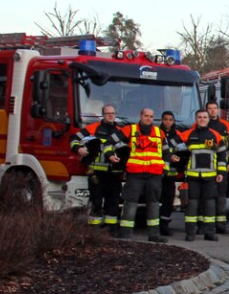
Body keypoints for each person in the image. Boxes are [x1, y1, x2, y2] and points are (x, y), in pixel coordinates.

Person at [117, 108, 175, 242]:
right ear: (141, 116)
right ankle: (125, 233)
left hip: (154, 174)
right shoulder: (130, 130)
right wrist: (114, 156)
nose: (149, 118)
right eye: (146, 116)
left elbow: (166, 154)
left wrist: (165, 170)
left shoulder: (159, 132)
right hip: (135, 173)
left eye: (151, 116)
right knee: (130, 202)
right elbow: (112, 142)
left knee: (153, 204)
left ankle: (154, 234)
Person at [70, 104, 126, 232]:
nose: (111, 115)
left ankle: (110, 228)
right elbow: (74, 138)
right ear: (103, 115)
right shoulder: (93, 128)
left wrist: (124, 170)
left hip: (114, 172)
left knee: (113, 201)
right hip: (97, 172)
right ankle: (94, 229)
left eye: (113, 113)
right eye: (108, 113)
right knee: (96, 200)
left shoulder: (120, 131)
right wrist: (78, 149)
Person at [177, 109, 227, 241]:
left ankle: (209, 233)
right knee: (191, 205)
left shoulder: (215, 135)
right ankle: (190, 233)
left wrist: (221, 172)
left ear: (208, 119)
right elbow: (174, 146)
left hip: (210, 177)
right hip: (193, 177)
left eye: (204, 117)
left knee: (210, 205)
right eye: (199, 117)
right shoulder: (188, 134)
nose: (202, 119)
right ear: (196, 119)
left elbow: (222, 154)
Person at [205, 101, 229, 235]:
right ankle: (205, 224)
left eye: (214, 108)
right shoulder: (202, 124)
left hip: (222, 165)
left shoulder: (226, 125)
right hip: (206, 166)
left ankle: (221, 224)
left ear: (217, 110)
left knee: (222, 195)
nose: (212, 111)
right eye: (209, 109)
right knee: (206, 196)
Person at [158, 111, 183, 238]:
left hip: (171, 174)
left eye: (170, 120)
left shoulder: (178, 134)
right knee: (153, 200)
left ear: (173, 121)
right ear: (162, 120)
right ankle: (154, 225)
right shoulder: (156, 133)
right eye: (165, 119)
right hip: (156, 173)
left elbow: (183, 152)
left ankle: (164, 225)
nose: (168, 122)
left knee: (168, 201)